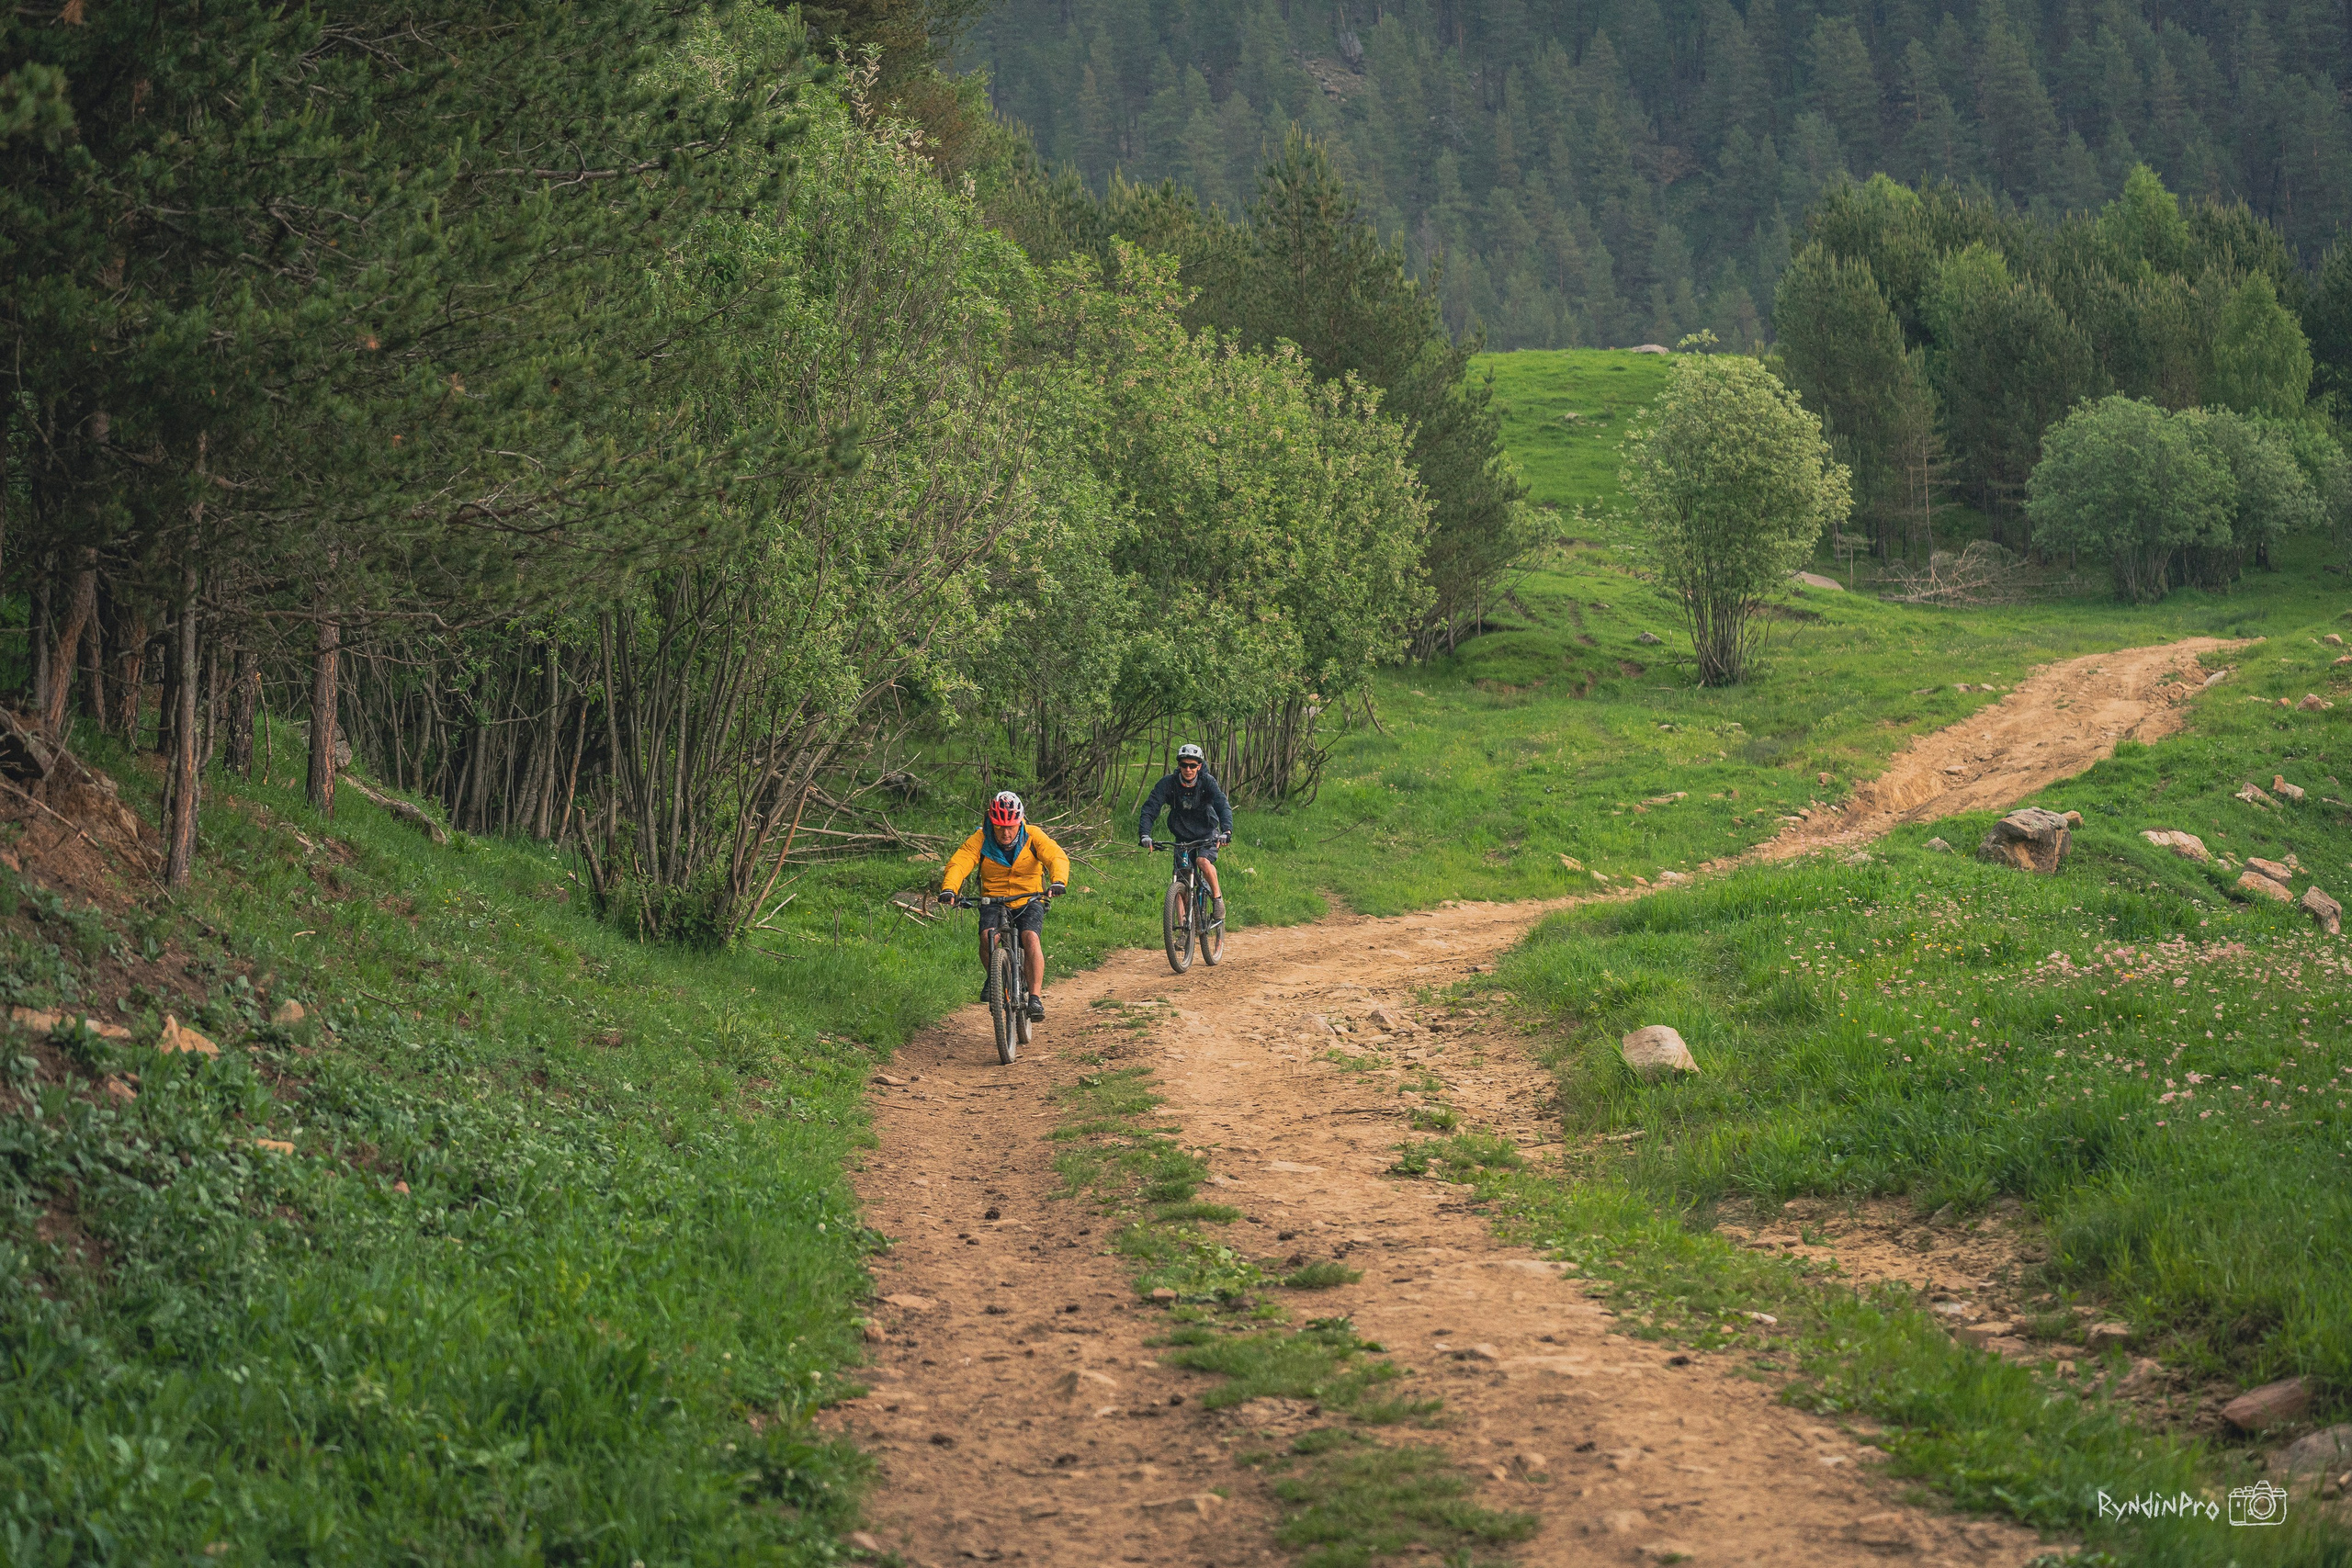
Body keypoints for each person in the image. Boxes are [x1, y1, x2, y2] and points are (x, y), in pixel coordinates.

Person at [940, 791, 1068, 1021]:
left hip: (1028, 898)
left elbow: (1055, 856)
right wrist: (950, 888)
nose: (1006, 833)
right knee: (988, 936)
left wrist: (1058, 881)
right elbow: (961, 862)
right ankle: (994, 976)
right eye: (999, 827)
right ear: (991, 821)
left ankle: (1035, 998)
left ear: (1020, 822)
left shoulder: (1033, 835)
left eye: (1011, 826)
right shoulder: (980, 839)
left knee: (1030, 938)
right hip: (993, 898)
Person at [1138, 742, 1233, 927]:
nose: (1188, 769)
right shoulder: (1168, 783)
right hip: (1182, 835)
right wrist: (1145, 835)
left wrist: (1226, 830)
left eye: (1192, 765)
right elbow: (1150, 807)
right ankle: (1183, 927)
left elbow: (1222, 805)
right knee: (1181, 878)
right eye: (1184, 765)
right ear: (1179, 765)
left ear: (1199, 766)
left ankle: (1217, 899)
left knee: (1202, 862)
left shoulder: (1207, 782)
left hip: (1207, 832)